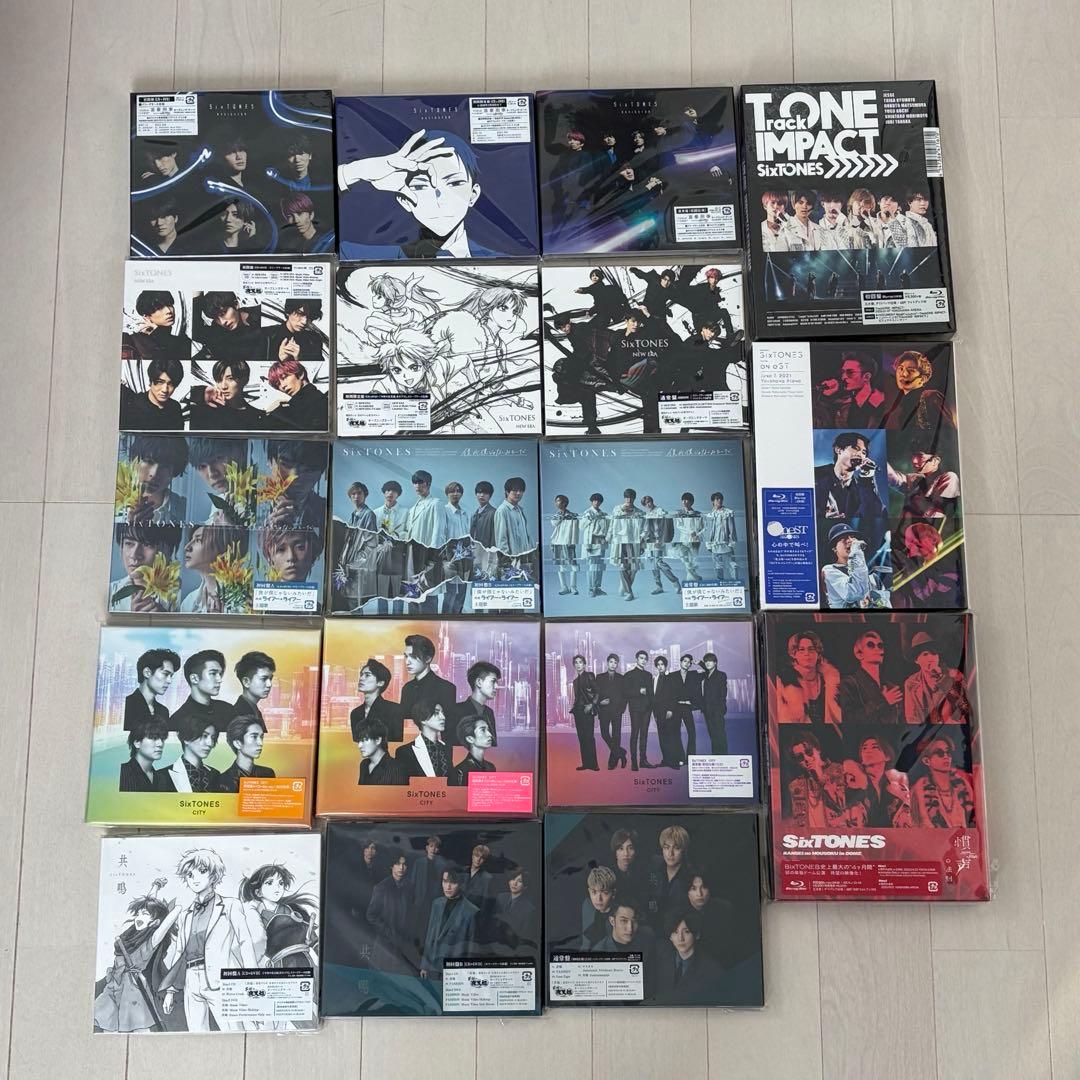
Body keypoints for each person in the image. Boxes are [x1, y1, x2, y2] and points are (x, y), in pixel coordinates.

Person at [338, 129, 492, 259]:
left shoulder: (501, 260)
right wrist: (354, 172)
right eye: (420, 186)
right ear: (404, 200)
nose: (439, 197)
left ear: (473, 194)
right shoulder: (356, 254)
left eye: (454, 183)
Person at [161, 849, 260, 1031]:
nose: (194, 879)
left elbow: (245, 942)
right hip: (191, 980)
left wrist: (253, 981)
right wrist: (171, 990)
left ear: (214, 875)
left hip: (221, 979)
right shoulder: (185, 915)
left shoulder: (230, 905)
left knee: (234, 1031)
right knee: (197, 1033)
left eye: (201, 871)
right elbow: (179, 952)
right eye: (190, 875)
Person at [94, 878, 181, 1033]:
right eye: (138, 914)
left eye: (145, 914)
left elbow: (164, 923)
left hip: (132, 987)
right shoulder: (131, 934)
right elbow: (147, 905)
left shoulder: (151, 940)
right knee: (107, 1024)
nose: (139, 917)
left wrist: (178, 908)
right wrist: (155, 887)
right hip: (114, 984)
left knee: (137, 1028)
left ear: (155, 922)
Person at [240, 864, 318, 977]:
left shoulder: (293, 910)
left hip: (305, 961)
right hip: (278, 966)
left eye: (281, 883)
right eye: (269, 883)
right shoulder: (255, 916)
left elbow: (313, 939)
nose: (277, 887)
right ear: (258, 892)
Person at [814, 432, 887, 544]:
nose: (861, 455)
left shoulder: (862, 487)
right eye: (856, 448)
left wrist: (867, 479)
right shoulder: (814, 475)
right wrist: (822, 516)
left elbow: (876, 513)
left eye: (864, 452)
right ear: (838, 450)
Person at [420, 869, 479, 979]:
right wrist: (424, 965)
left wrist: (467, 974)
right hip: (432, 965)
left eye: (453, 882)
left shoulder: (471, 911)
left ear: (460, 884)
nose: (448, 887)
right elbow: (430, 935)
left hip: (454, 969)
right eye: (445, 881)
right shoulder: (437, 903)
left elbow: (470, 949)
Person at [654, 909, 722, 1005]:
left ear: (697, 935)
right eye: (675, 932)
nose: (680, 938)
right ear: (670, 937)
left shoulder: (712, 970)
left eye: (686, 932)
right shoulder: (660, 958)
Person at [773, 630, 841, 725]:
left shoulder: (830, 681)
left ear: (818, 654)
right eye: (801, 649)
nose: (807, 653)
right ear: (794, 654)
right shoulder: (783, 682)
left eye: (811, 649)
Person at [903, 631, 972, 725]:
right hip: (926, 731)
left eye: (934, 653)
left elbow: (965, 708)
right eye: (925, 654)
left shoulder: (954, 675)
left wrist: (944, 681)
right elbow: (911, 718)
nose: (931, 657)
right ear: (916, 660)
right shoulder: (911, 683)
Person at [118, 435, 189, 525]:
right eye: (149, 461)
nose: (154, 474)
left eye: (165, 467)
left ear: (174, 471)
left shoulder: (185, 510)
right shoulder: (117, 502)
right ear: (134, 460)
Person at [111, 524, 182, 613]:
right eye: (129, 543)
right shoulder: (111, 592)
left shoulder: (183, 596)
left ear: (169, 549)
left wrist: (165, 619)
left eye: (147, 544)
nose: (134, 555)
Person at [911, 731, 976, 827]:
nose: (946, 756)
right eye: (940, 753)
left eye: (948, 752)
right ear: (926, 761)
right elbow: (920, 824)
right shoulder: (919, 788)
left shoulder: (963, 784)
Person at [179, 525, 248, 614]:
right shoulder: (188, 602)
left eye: (198, 540)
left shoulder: (242, 603)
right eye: (191, 540)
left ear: (222, 548)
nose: (187, 547)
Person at [838, 629, 903, 723]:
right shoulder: (848, 684)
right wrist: (883, 701)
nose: (878, 649)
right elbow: (848, 720)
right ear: (859, 653)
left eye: (880, 645)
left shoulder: (892, 687)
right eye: (870, 645)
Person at [403, 468, 446, 610]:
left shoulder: (436, 504)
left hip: (428, 556)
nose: (417, 486)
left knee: (428, 593)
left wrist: (432, 558)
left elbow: (438, 532)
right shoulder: (413, 508)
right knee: (413, 593)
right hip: (412, 556)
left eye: (420, 482)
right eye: (415, 483)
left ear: (428, 483)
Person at [822, 522, 890, 610]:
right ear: (834, 548)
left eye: (852, 537)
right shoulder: (829, 571)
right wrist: (856, 551)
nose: (850, 541)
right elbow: (856, 593)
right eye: (843, 538)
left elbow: (886, 607)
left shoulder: (874, 578)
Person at [263, 440, 327, 531]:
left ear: (320, 474)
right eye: (286, 464)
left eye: (307, 470)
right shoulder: (249, 506)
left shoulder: (327, 514)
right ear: (270, 462)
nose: (294, 478)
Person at [785, 732, 847, 827]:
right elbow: (795, 820)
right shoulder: (795, 785)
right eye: (800, 757)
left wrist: (820, 776)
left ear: (818, 750)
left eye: (809, 752)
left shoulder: (838, 770)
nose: (806, 759)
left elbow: (842, 806)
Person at [812, 353, 887, 429]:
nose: (843, 377)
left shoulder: (882, 403)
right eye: (843, 372)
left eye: (850, 372)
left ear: (866, 377)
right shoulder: (843, 404)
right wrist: (826, 397)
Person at [366, 854, 413, 973]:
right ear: (392, 866)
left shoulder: (410, 886)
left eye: (404, 864)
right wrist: (388, 933)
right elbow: (371, 915)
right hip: (385, 943)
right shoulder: (381, 887)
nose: (401, 867)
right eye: (398, 864)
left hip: (405, 945)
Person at [187, 360, 266, 430]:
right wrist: (202, 393)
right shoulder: (207, 411)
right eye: (219, 380)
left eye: (230, 379)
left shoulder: (257, 417)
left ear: (245, 380)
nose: (223, 386)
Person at [399, 633, 456, 726]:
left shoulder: (446, 688)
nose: (407, 661)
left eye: (413, 656)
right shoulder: (407, 688)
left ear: (428, 659)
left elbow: (448, 725)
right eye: (406, 656)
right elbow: (404, 723)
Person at [120, 354, 185, 431]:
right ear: (150, 382)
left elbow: (178, 437)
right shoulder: (133, 406)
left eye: (170, 384)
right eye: (160, 382)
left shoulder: (175, 407)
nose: (165, 390)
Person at [858, 735, 912, 828]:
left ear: (887, 756)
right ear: (861, 759)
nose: (868, 751)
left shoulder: (895, 787)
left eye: (875, 747)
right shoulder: (856, 782)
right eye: (864, 748)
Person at [350, 657, 406, 746]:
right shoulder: (355, 713)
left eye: (367, 675)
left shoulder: (395, 710)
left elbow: (395, 744)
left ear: (380, 683)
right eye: (361, 675)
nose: (361, 678)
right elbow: (358, 744)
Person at [193, 291, 262, 360]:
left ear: (236, 304)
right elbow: (196, 333)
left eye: (223, 313)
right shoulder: (218, 332)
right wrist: (198, 297)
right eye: (216, 318)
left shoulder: (260, 313)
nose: (222, 322)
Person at [123, 647, 180, 731]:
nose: (169, 681)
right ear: (147, 673)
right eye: (165, 674)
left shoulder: (163, 712)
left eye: (171, 676)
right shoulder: (126, 706)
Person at [374, 480, 409, 612]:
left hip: (398, 557)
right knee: (381, 593)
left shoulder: (406, 512)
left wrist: (396, 536)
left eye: (394, 491)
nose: (390, 493)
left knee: (398, 593)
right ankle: (382, 619)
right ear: (384, 493)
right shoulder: (376, 512)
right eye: (387, 490)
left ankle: (398, 618)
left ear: (398, 494)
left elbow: (408, 533)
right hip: (381, 558)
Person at [265, 359, 328, 432]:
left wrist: (272, 412)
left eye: (284, 377)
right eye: (278, 384)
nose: (282, 386)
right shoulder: (317, 399)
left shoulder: (317, 403)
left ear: (300, 374)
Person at [395, 700, 451, 780]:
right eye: (436, 713)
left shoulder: (447, 749)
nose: (443, 717)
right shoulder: (404, 752)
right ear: (422, 719)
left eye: (443, 713)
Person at [217, 717, 275, 793]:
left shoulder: (268, 774)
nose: (261, 743)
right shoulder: (223, 780)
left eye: (261, 737)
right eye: (254, 737)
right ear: (237, 743)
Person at [450, 660, 500, 748]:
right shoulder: (456, 711)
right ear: (479, 682)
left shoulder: (489, 712)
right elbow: (453, 746)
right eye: (493, 681)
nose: (497, 686)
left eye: (497, 682)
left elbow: (493, 745)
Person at [440, 481, 472, 614]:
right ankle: (445, 620)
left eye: (458, 491)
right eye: (452, 491)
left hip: (465, 557)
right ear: (447, 494)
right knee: (450, 592)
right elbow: (441, 535)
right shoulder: (444, 511)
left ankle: (459, 619)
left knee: (462, 593)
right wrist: (444, 559)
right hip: (450, 557)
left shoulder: (465, 514)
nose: (455, 493)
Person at [262, 297, 325, 365]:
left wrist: (299, 359)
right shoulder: (265, 335)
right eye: (300, 314)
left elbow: (320, 367)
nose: (304, 322)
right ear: (289, 311)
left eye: (310, 317)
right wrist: (280, 360)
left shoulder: (314, 340)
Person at [609, 488, 645, 601]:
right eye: (626, 497)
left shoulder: (639, 512)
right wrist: (608, 537)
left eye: (631, 497)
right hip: (621, 541)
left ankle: (624, 585)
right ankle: (629, 592)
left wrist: (642, 542)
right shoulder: (617, 509)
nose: (628, 500)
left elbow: (644, 529)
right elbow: (612, 523)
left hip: (634, 542)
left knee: (634, 568)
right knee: (622, 566)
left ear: (634, 498)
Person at [119, 720, 175, 793]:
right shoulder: (122, 773)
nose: (160, 744)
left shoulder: (162, 779)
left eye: (162, 739)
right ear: (137, 743)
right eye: (154, 738)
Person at [493, 476, 533, 575]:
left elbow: (527, 536)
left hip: (524, 560)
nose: (518, 493)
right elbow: (501, 541)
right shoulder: (502, 511)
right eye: (515, 490)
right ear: (507, 492)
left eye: (521, 490)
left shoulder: (520, 510)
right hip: (512, 563)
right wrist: (507, 564)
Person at [624, 650, 656, 771]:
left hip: (647, 709)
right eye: (641, 658)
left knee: (644, 735)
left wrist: (652, 708)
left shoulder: (648, 675)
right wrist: (638, 691)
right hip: (635, 709)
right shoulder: (629, 675)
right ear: (636, 659)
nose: (643, 660)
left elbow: (651, 694)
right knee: (634, 734)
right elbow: (625, 692)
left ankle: (643, 761)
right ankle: (634, 762)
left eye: (645, 659)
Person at [640, 495, 680, 595]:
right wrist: (641, 539)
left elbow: (666, 526)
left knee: (658, 562)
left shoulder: (660, 511)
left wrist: (662, 540)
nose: (648, 505)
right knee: (653, 565)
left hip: (659, 540)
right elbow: (645, 530)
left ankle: (675, 581)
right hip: (650, 541)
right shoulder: (647, 514)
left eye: (649, 502)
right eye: (645, 504)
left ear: (652, 501)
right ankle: (658, 586)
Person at [595, 653, 627, 770]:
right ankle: (621, 753)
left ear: (617, 665)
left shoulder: (621, 678)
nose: (613, 664)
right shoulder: (599, 677)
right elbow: (595, 694)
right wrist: (600, 702)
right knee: (604, 734)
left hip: (617, 711)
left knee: (616, 735)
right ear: (607, 663)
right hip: (604, 710)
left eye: (615, 662)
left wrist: (622, 709)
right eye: (611, 662)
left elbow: (624, 696)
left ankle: (613, 760)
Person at [355, 715, 405, 786]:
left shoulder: (397, 768)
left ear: (378, 740)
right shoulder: (364, 765)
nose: (359, 745)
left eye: (365, 740)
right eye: (359, 741)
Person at [231, 651, 274, 733]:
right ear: (246, 682)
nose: (269, 684)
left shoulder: (254, 711)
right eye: (263, 679)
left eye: (270, 679)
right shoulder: (240, 716)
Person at [670, 654, 701, 764]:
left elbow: (708, 672)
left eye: (689, 662)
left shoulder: (694, 674)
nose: (687, 663)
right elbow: (668, 693)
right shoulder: (672, 675)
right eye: (685, 661)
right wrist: (670, 708)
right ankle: (680, 758)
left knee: (692, 733)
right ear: (680, 662)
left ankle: (690, 758)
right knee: (676, 733)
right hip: (676, 707)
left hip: (687, 707)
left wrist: (699, 663)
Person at [570, 654, 599, 772]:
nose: (578, 665)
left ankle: (594, 764)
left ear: (584, 664)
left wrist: (592, 704)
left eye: (580, 662)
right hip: (578, 712)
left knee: (589, 738)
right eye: (576, 662)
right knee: (581, 738)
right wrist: (574, 709)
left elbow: (597, 692)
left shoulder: (589, 676)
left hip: (587, 711)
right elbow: (577, 698)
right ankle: (586, 763)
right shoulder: (575, 681)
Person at [494, 866, 535, 949]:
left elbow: (524, 934)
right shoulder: (500, 897)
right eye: (513, 879)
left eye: (519, 881)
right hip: (495, 942)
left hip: (513, 947)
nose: (514, 883)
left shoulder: (529, 908)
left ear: (525, 887)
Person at [449, 715, 496, 786]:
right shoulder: (460, 772)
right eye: (483, 730)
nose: (490, 734)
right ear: (470, 739)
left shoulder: (491, 767)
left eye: (488, 730)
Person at [652, 655, 681, 769]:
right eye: (658, 665)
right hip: (658, 713)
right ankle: (665, 760)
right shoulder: (655, 679)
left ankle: (674, 762)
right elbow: (654, 698)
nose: (660, 667)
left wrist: (670, 709)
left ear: (665, 665)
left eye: (662, 664)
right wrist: (655, 714)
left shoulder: (671, 677)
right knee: (662, 737)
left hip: (669, 711)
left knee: (671, 736)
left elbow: (674, 695)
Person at [698, 653, 729, 755]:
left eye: (710, 661)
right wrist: (700, 663)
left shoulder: (721, 675)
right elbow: (707, 668)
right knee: (712, 734)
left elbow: (723, 694)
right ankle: (716, 755)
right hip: (707, 710)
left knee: (719, 734)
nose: (707, 663)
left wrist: (721, 709)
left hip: (717, 710)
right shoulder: (707, 675)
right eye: (706, 661)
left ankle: (723, 755)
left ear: (715, 663)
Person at [703, 491, 738, 580]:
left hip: (726, 544)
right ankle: (720, 583)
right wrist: (708, 545)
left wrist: (731, 543)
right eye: (717, 499)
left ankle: (736, 583)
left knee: (732, 565)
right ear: (713, 501)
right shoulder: (710, 515)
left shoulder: (728, 512)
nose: (719, 500)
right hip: (715, 545)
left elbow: (732, 529)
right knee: (718, 567)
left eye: (721, 499)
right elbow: (708, 531)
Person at [550, 494, 580, 596]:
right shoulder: (556, 515)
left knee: (573, 565)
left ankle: (573, 587)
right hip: (557, 542)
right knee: (560, 566)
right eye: (556, 501)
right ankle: (564, 587)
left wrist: (573, 541)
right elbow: (554, 523)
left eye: (559, 501)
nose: (557, 503)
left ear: (565, 503)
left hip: (569, 542)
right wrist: (562, 515)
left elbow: (576, 528)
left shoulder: (572, 515)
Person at [580, 866, 616, 949]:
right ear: (589, 891)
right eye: (594, 892)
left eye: (605, 892)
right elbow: (585, 943)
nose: (598, 899)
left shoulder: (619, 912)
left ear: (613, 893)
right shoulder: (587, 906)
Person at [581, 493, 610, 597]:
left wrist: (606, 539)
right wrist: (589, 518)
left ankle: (597, 588)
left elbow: (607, 528)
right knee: (592, 566)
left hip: (601, 541)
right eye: (594, 500)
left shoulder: (603, 514)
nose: (596, 502)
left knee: (600, 566)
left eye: (598, 501)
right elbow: (581, 526)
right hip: (591, 541)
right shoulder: (587, 513)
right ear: (592, 501)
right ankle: (591, 589)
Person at [672, 492, 704, 582]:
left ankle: (692, 578)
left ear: (691, 502)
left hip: (695, 540)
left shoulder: (697, 514)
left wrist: (697, 534)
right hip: (684, 539)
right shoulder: (680, 513)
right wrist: (690, 532)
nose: (684, 502)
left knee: (693, 559)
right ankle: (694, 577)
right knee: (686, 560)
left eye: (686, 500)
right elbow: (679, 526)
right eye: (683, 500)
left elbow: (702, 527)